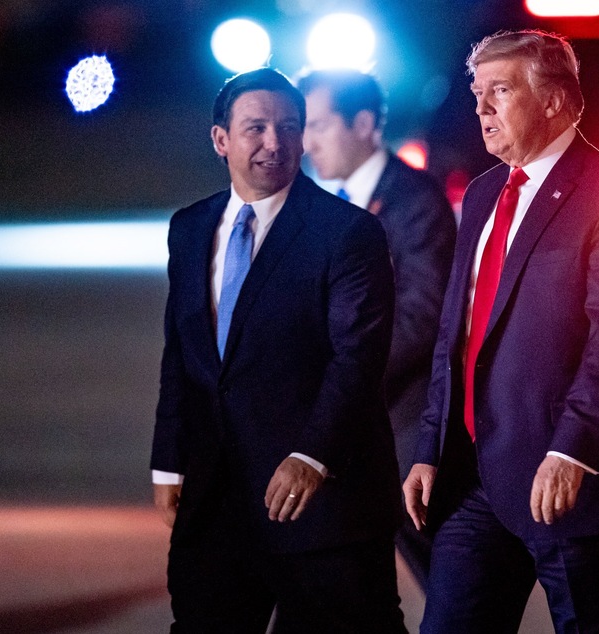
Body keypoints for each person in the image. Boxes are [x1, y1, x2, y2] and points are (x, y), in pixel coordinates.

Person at [402, 30, 599, 633]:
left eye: (499, 91)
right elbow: (457, 332)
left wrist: (571, 448)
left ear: (554, 102)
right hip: (475, 478)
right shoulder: (479, 196)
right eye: (477, 93)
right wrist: (430, 448)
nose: (481, 109)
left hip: (571, 481)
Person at [149, 67, 407, 633]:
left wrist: (311, 456)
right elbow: (182, 353)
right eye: (257, 128)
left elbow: (356, 359)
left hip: (323, 511)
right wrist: (169, 459)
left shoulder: (346, 232)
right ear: (221, 140)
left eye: (290, 127)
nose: (276, 142)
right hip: (216, 502)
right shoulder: (189, 229)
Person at [297, 69, 457, 585]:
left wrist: (345, 380)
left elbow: (423, 313)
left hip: (404, 422)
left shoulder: (414, 200)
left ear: (364, 123)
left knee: (445, 576)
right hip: (348, 423)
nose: (306, 141)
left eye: (318, 124)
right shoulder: (323, 207)